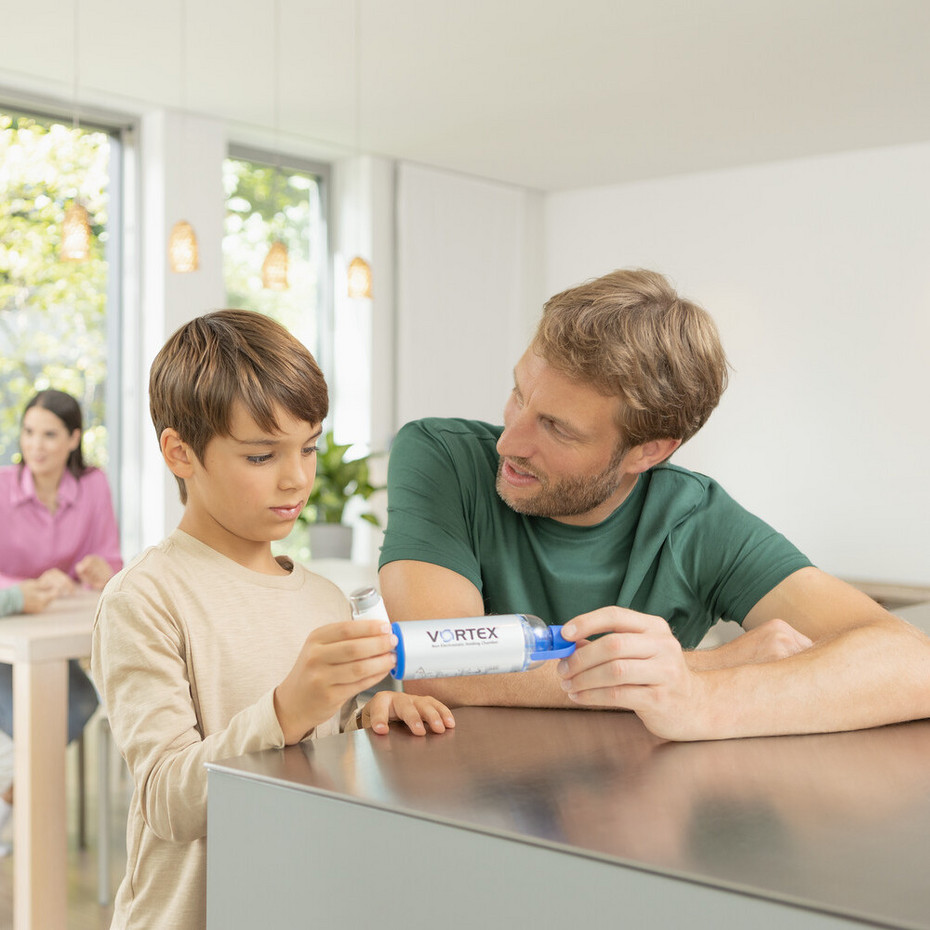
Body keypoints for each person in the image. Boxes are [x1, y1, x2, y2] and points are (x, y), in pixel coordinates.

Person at [379, 268, 930, 741]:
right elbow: (439, 666)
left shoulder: (698, 521)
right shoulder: (440, 456)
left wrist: (699, 697)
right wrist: (715, 665)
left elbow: (913, 665)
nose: (510, 443)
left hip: (633, 815)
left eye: (557, 428)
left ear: (649, 450)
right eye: (520, 394)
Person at [92, 309, 454, 930]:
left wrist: (370, 719)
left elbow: (320, 752)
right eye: (261, 456)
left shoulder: (324, 598)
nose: (297, 478)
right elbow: (168, 801)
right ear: (180, 453)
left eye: (309, 447)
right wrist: (287, 709)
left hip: (300, 899)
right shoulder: (145, 598)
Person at [0, 388, 121, 849]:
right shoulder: (3, 486)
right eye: (29, 433)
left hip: (51, 634)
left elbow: (110, 558)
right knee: (41, 717)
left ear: (74, 438)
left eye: (49, 435)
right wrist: (20, 589)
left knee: (78, 704)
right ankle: (15, 806)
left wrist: (102, 570)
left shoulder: (92, 485)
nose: (36, 445)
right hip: (6, 635)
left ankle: (13, 793)